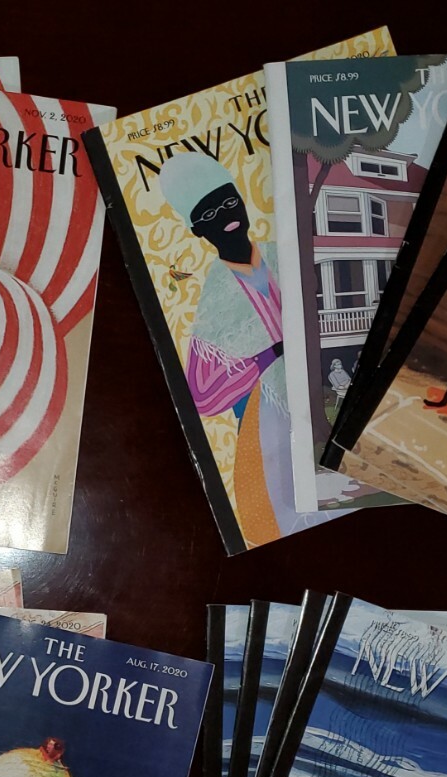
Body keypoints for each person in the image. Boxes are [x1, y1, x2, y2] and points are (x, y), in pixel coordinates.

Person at [160, 151, 322, 538]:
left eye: (229, 202)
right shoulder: (216, 296)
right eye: (209, 213)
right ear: (197, 230)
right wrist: (269, 355)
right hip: (270, 421)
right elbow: (201, 394)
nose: (225, 215)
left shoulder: (283, 254)